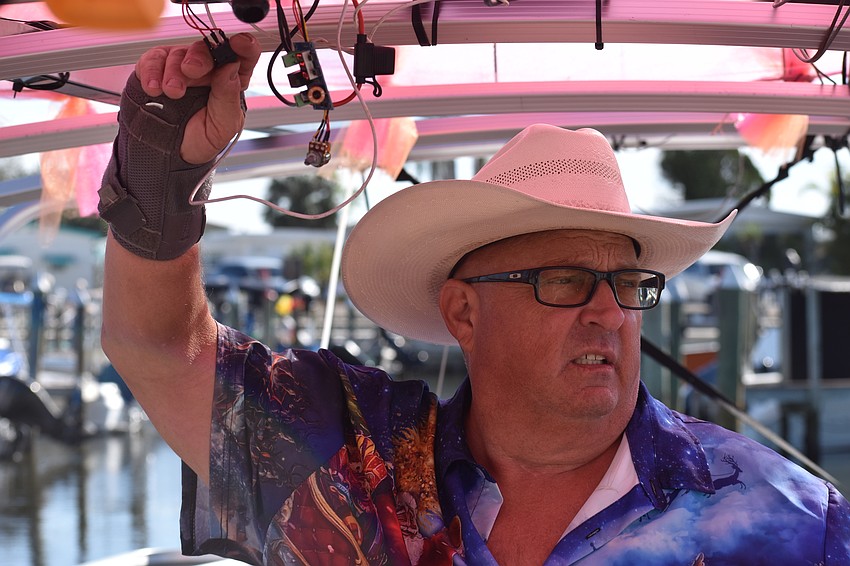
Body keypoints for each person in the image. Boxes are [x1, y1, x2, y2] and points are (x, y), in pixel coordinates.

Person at [98, 32, 850, 565]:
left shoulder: (797, 524)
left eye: (626, 284)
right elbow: (159, 346)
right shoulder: (352, 463)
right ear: (462, 312)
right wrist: (162, 173)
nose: (609, 313)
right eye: (563, 280)